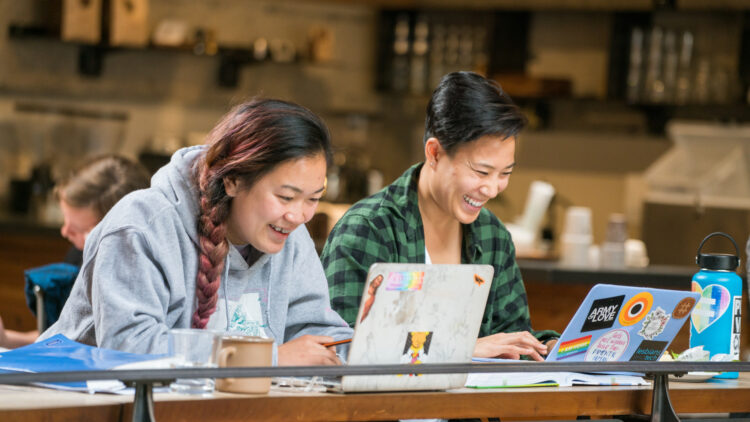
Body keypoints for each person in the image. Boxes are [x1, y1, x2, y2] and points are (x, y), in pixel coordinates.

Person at [40, 98, 352, 366]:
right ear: (233, 181)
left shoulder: (289, 233)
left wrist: (364, 350)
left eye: (313, 199)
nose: (298, 216)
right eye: (285, 197)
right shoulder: (141, 226)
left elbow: (317, 335)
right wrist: (268, 358)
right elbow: (129, 347)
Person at [321, 71, 558, 361]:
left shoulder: (492, 235)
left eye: (505, 173)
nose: (492, 189)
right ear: (434, 153)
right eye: (481, 172)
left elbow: (511, 337)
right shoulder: (368, 229)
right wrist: (463, 349)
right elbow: (342, 347)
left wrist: (553, 347)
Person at [0, 155, 150, 349]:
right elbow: (65, 334)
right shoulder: (77, 256)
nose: (64, 232)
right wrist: (7, 339)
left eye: (78, 230)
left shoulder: (135, 275)